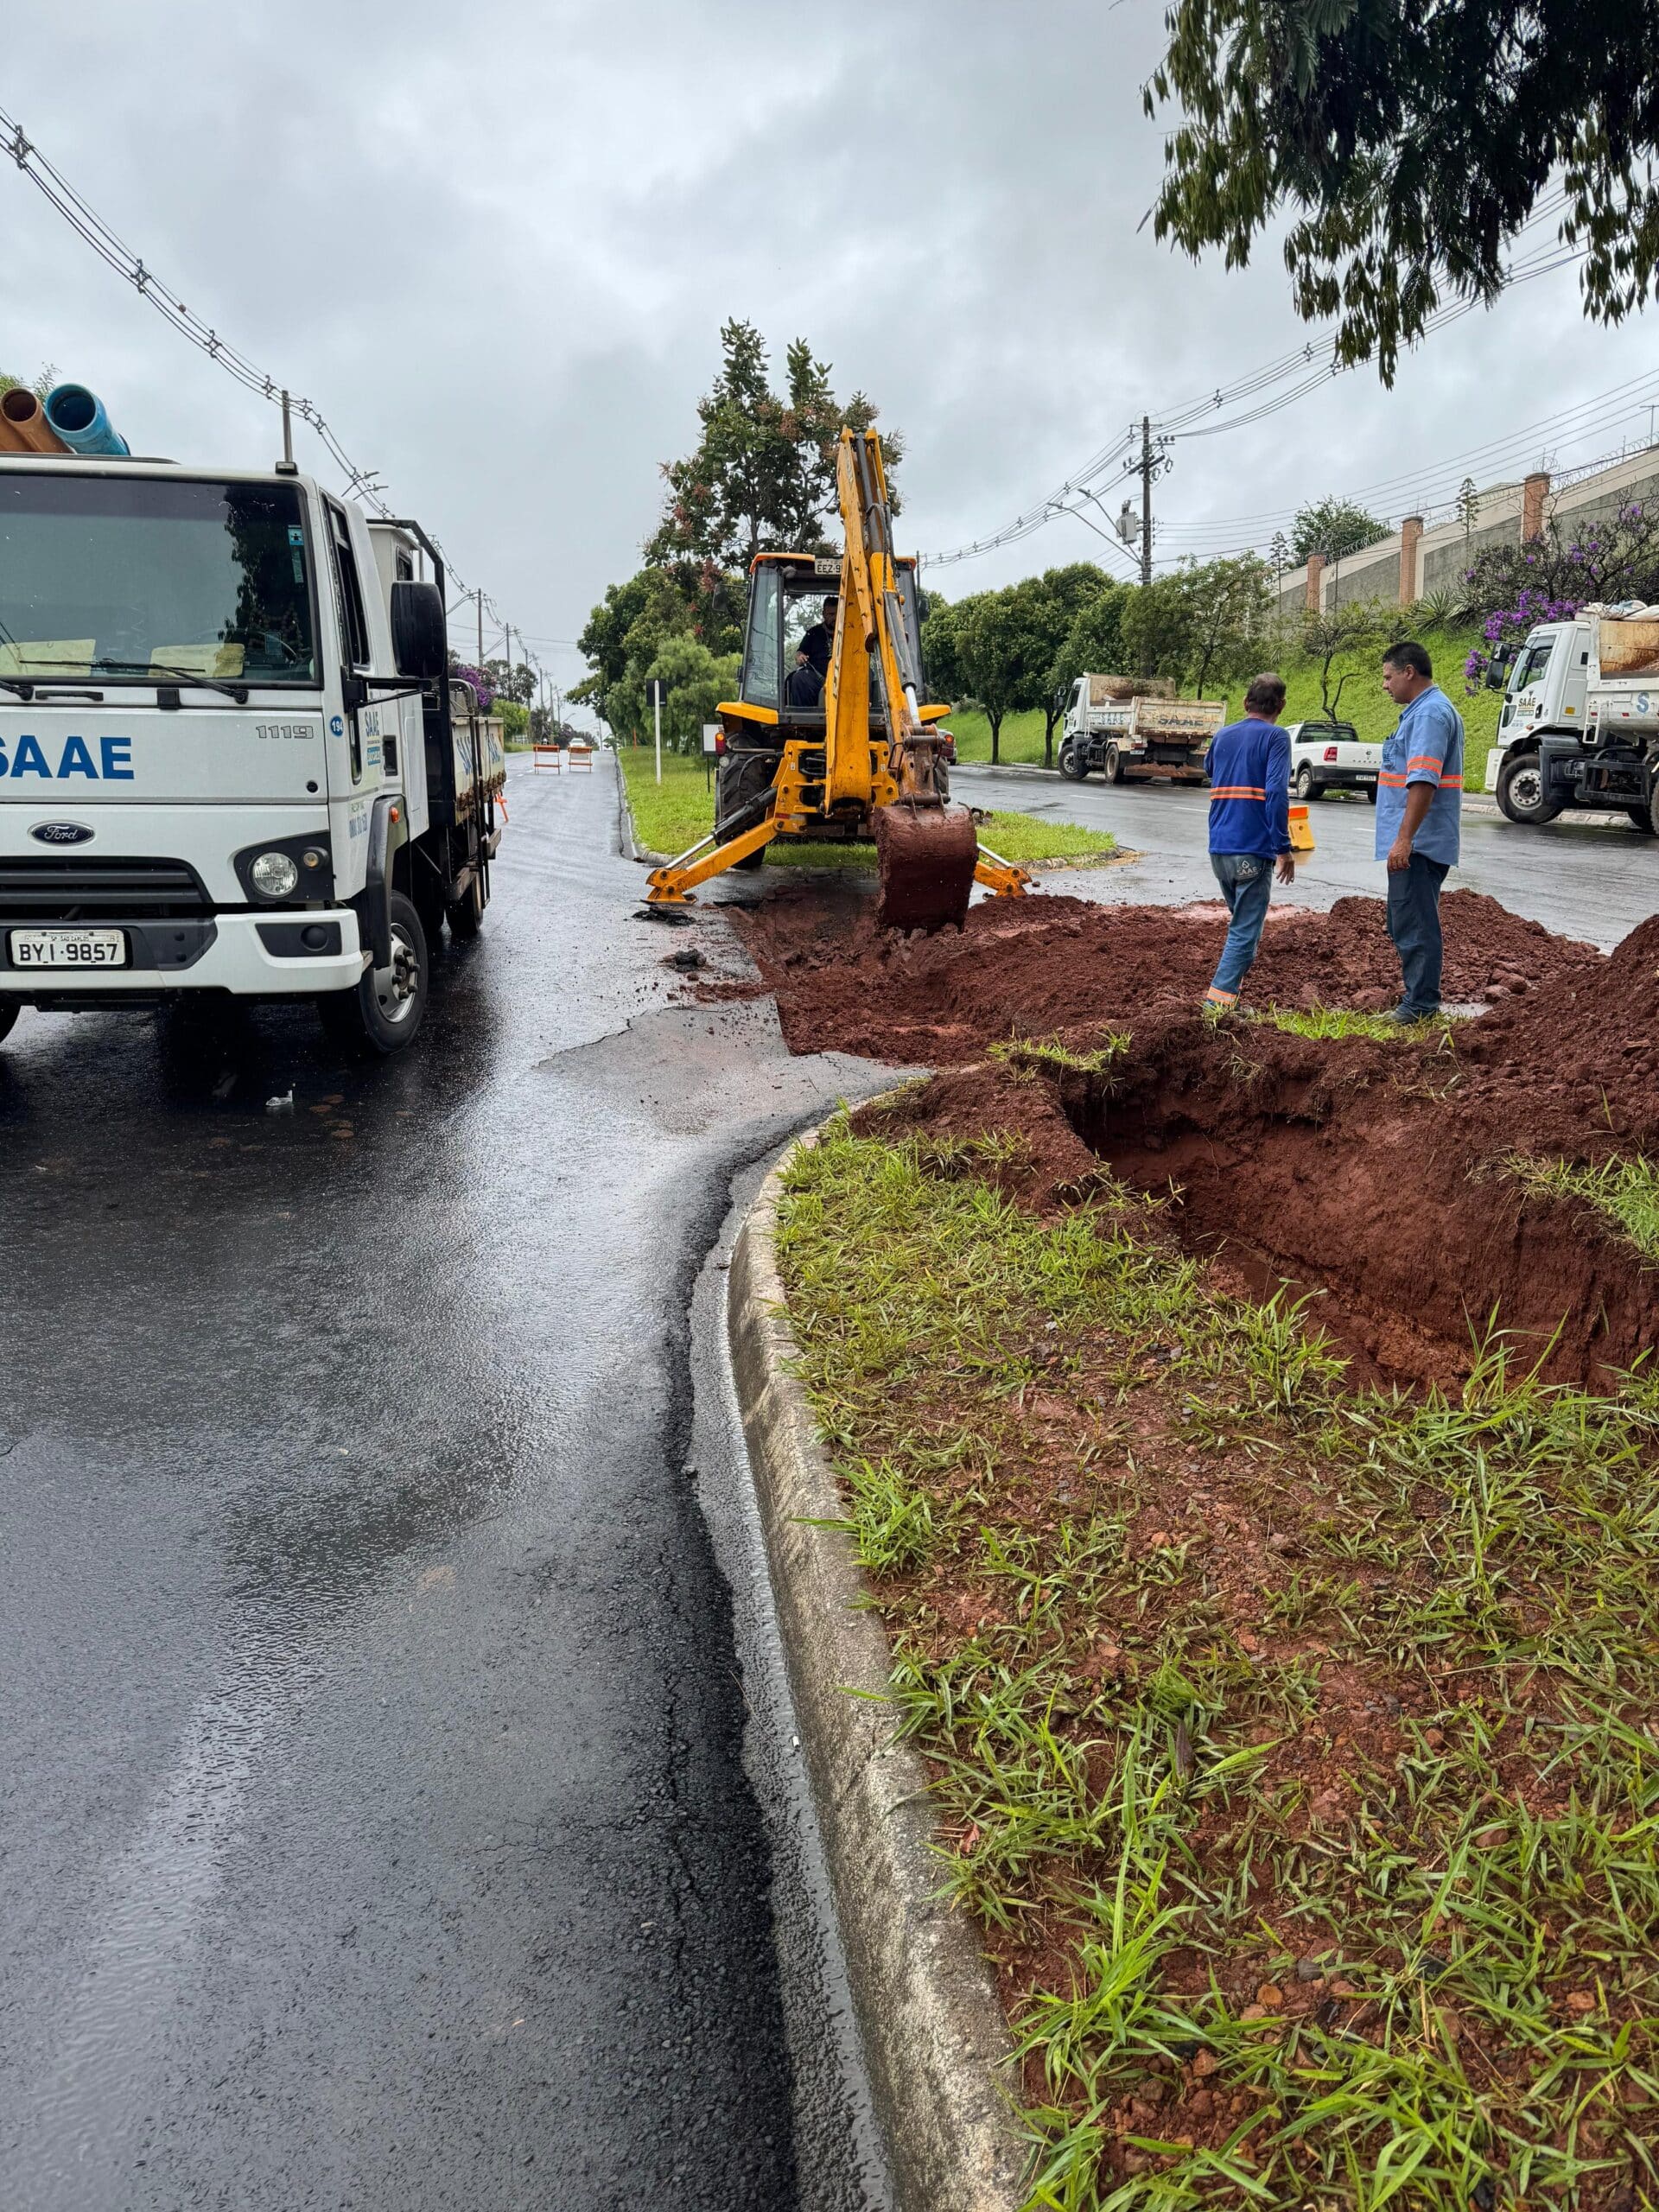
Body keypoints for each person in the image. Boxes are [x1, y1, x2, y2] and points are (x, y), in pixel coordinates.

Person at [1376, 639, 1463, 1021]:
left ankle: (1420, 1006)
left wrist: (1405, 839)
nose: (1385, 685)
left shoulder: (1429, 715)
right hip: (1418, 840)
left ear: (1409, 672)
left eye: (1388, 676)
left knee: (1415, 924)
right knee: (1404, 919)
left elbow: (1423, 780)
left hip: (1420, 843)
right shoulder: (1423, 711)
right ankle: (1417, 999)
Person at [1202, 671, 1294, 1014]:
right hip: (1253, 850)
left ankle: (1230, 1001)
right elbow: (1276, 793)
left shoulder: (1222, 736)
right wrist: (1284, 848)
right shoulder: (1276, 738)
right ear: (1281, 706)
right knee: (1244, 931)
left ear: (1245, 703)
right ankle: (1218, 1005)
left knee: (1243, 927)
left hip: (1219, 850)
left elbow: (1211, 769)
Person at [798, 595, 837, 676]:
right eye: (831, 614)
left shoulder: (850, 631)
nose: (835, 618)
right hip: (818, 676)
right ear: (824, 614)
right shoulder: (813, 633)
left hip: (846, 674)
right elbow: (801, 652)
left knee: (868, 674)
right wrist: (800, 656)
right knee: (799, 678)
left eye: (838, 614)